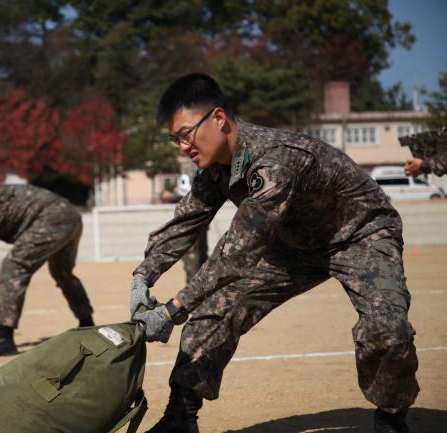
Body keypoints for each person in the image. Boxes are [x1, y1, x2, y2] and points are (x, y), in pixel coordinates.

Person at [129, 74, 418, 433]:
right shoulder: (217, 165)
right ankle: (180, 416)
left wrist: (172, 310)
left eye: (186, 134)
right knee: (213, 312)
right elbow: (185, 221)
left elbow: (236, 253)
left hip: (359, 234)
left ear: (218, 119)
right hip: (293, 243)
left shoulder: (274, 159)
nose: (182, 146)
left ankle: (391, 418)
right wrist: (142, 277)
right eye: (176, 140)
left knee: (387, 328)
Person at [0, 174, 95, 358]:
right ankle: (87, 324)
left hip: (52, 218)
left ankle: (4, 338)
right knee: (62, 273)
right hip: (70, 216)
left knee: (13, 267)